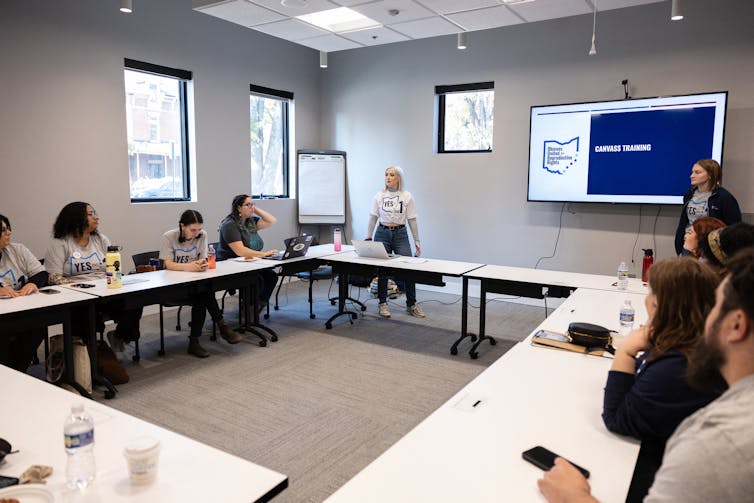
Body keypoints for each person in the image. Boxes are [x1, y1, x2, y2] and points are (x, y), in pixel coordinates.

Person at [537, 248, 754, 503]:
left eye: (717, 304)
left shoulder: (714, 440)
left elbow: (617, 418)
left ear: (736, 325)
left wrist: (572, 496)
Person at [601, 258, 720, 499]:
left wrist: (625, 350)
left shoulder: (678, 366)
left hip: (655, 470)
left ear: (657, 303)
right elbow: (641, 374)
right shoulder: (692, 342)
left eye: (649, 292)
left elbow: (616, 418)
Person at [44, 202, 142, 355]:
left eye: (95, 213)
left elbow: (112, 266)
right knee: (86, 313)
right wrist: (78, 288)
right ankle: (90, 351)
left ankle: (120, 336)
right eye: (91, 214)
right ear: (76, 219)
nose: (97, 217)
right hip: (78, 296)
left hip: (106, 290)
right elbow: (53, 277)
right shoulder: (60, 244)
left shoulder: (101, 240)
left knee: (136, 299)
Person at [160, 210, 243, 358]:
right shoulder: (169, 237)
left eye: (199, 229)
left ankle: (195, 341)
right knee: (205, 294)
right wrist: (189, 266)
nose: (196, 233)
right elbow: (168, 265)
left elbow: (203, 258)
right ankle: (221, 327)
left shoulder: (202, 235)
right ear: (182, 226)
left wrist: (202, 263)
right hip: (174, 285)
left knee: (202, 296)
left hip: (194, 282)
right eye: (193, 230)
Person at [366, 166, 425, 319]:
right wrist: (368, 236)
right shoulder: (379, 195)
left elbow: (412, 219)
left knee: (408, 269)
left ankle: (411, 304)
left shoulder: (407, 196)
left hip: (400, 234)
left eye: (392, 175)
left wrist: (417, 240)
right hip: (382, 232)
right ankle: (382, 303)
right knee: (382, 270)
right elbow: (373, 217)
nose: (388, 177)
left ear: (398, 178)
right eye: (386, 175)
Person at [0, 214, 48, 371]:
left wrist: (32, 283)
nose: (8, 233)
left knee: (37, 326)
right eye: (3, 230)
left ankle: (18, 370)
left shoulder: (17, 250)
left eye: (8, 228)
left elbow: (41, 273)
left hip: (21, 309)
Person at [216, 195, 279, 311]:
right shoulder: (230, 225)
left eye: (252, 204)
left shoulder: (250, 222)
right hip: (232, 265)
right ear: (238, 208)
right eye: (248, 205)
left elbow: (272, 220)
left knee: (271, 276)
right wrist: (264, 254)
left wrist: (255, 209)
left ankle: (258, 304)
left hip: (250, 262)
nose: (252, 207)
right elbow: (240, 251)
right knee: (257, 280)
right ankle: (249, 308)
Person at [674, 159, 741, 256]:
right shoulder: (689, 194)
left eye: (697, 172)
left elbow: (734, 227)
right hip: (689, 244)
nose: (692, 176)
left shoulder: (723, 197)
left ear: (710, 175)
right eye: (692, 172)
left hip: (711, 248)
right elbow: (684, 222)